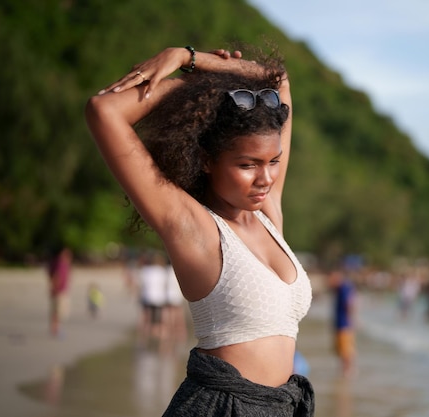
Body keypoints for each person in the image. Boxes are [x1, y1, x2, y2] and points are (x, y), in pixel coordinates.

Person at [85, 45, 314, 416]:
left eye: (273, 161)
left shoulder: (269, 214)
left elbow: (278, 81)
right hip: (222, 407)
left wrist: (191, 58)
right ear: (207, 160)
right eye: (247, 164)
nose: (266, 177)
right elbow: (104, 111)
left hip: (283, 405)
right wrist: (200, 92)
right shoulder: (195, 227)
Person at [328, 269, 356, 377]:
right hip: (340, 323)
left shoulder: (344, 288)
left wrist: (351, 319)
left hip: (344, 324)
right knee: (341, 350)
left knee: (346, 350)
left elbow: (349, 304)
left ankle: (348, 371)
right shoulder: (339, 289)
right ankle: (345, 370)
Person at [47, 247, 72, 338]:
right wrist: (56, 288)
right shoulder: (60, 264)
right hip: (60, 292)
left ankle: (55, 329)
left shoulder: (55, 263)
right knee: (58, 312)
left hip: (57, 291)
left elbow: (50, 275)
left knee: (55, 312)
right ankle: (56, 330)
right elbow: (56, 276)